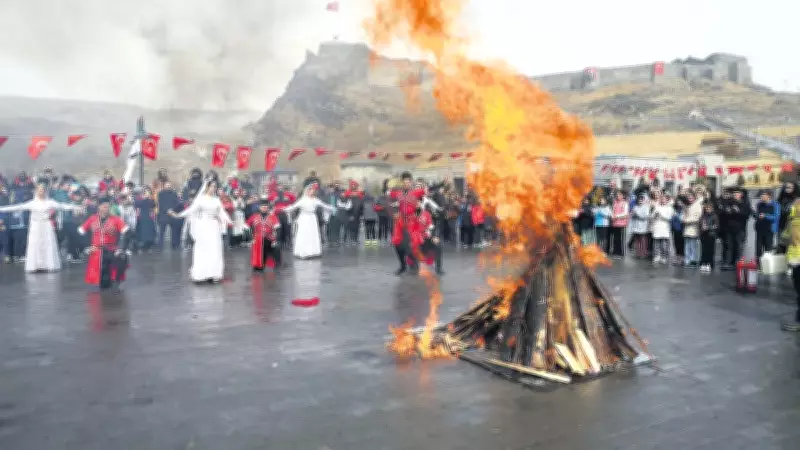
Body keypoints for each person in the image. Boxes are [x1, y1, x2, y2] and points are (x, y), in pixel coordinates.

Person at [0, 183, 83, 273]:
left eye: (42, 190)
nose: (41, 192)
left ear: (45, 191)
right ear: (36, 191)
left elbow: (62, 206)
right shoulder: (32, 203)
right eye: (39, 190)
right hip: (35, 227)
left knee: (47, 244)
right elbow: (17, 207)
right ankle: (35, 265)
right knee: (35, 244)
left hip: (46, 226)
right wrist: (1, 209)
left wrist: (76, 207)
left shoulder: (50, 202)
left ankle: (48, 264)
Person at [170, 179, 232, 284]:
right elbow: (191, 210)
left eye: (215, 186)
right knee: (202, 249)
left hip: (214, 227)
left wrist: (229, 220)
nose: (214, 188)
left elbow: (221, 212)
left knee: (215, 249)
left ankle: (214, 274)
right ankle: (201, 274)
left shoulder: (216, 200)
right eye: (212, 186)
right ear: (207, 187)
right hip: (203, 226)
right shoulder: (201, 200)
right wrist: (178, 214)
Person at [77, 197, 133, 290]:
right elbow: (81, 232)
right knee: (103, 284)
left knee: (120, 262)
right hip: (96, 252)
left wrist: (121, 249)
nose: (107, 209)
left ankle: (116, 284)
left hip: (111, 250)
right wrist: (87, 247)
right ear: (99, 207)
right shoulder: (92, 219)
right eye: (104, 207)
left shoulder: (116, 219)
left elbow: (129, 233)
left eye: (108, 207)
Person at [282, 184, 335, 259]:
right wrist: (283, 209)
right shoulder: (302, 200)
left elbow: (324, 205)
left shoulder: (315, 200)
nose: (312, 192)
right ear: (307, 191)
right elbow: (293, 206)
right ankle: (303, 252)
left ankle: (313, 252)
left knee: (312, 234)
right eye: (310, 190)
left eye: (313, 191)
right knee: (304, 234)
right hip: (304, 218)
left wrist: (332, 208)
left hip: (312, 218)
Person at [389, 172, 425, 275]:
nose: (406, 183)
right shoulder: (398, 193)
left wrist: (442, 184)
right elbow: (388, 191)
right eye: (404, 182)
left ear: (411, 182)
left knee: (411, 244)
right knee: (397, 244)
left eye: (408, 182)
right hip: (400, 221)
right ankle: (402, 265)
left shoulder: (416, 192)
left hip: (411, 221)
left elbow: (429, 190)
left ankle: (414, 264)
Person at [247, 199, 281, 271]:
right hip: (257, 239)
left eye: (266, 206)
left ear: (268, 207)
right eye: (262, 206)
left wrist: (276, 240)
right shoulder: (253, 216)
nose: (264, 207)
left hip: (269, 238)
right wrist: (250, 239)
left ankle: (274, 262)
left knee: (275, 247)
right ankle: (258, 264)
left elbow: (278, 229)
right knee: (258, 244)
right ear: (259, 207)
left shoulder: (273, 216)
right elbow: (245, 228)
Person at [417, 204, 444, 275]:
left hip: (428, 236)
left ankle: (438, 268)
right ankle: (414, 266)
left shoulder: (427, 214)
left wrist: (434, 236)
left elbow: (431, 226)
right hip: (418, 237)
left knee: (438, 246)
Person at [753, 190, 779, 261]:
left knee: (768, 247)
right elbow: (757, 214)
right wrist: (756, 215)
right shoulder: (759, 204)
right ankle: (758, 263)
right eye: (761, 196)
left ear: (769, 196)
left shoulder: (775, 204)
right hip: (760, 228)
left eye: (763, 195)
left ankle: (767, 263)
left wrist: (766, 216)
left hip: (769, 229)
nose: (761, 197)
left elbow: (776, 217)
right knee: (758, 247)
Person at [650, 194, 674, 264]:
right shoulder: (657, 207)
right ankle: (657, 256)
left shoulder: (670, 208)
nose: (663, 200)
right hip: (657, 227)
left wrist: (661, 215)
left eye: (664, 199)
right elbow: (651, 217)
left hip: (665, 228)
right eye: (662, 199)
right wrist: (654, 215)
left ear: (667, 200)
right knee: (656, 244)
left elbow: (669, 218)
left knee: (664, 244)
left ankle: (664, 257)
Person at [699, 201, 719, 273]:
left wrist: (708, 227)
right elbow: (700, 223)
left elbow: (716, 226)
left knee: (710, 250)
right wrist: (702, 227)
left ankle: (709, 264)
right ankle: (703, 263)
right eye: (706, 208)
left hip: (711, 235)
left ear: (712, 209)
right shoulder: (703, 216)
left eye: (709, 208)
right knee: (704, 250)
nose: (708, 210)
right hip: (704, 235)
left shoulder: (714, 216)